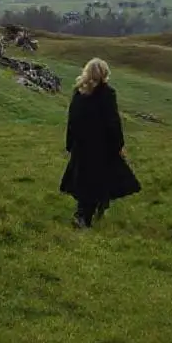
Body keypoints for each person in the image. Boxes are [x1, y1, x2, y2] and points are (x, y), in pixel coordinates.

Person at [59, 57, 141, 228]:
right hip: (102, 148)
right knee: (99, 180)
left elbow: (72, 120)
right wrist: (118, 145)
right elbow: (113, 122)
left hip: (81, 147)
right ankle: (83, 218)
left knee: (85, 181)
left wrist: (70, 144)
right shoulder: (107, 94)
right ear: (104, 74)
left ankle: (87, 212)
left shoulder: (79, 93)